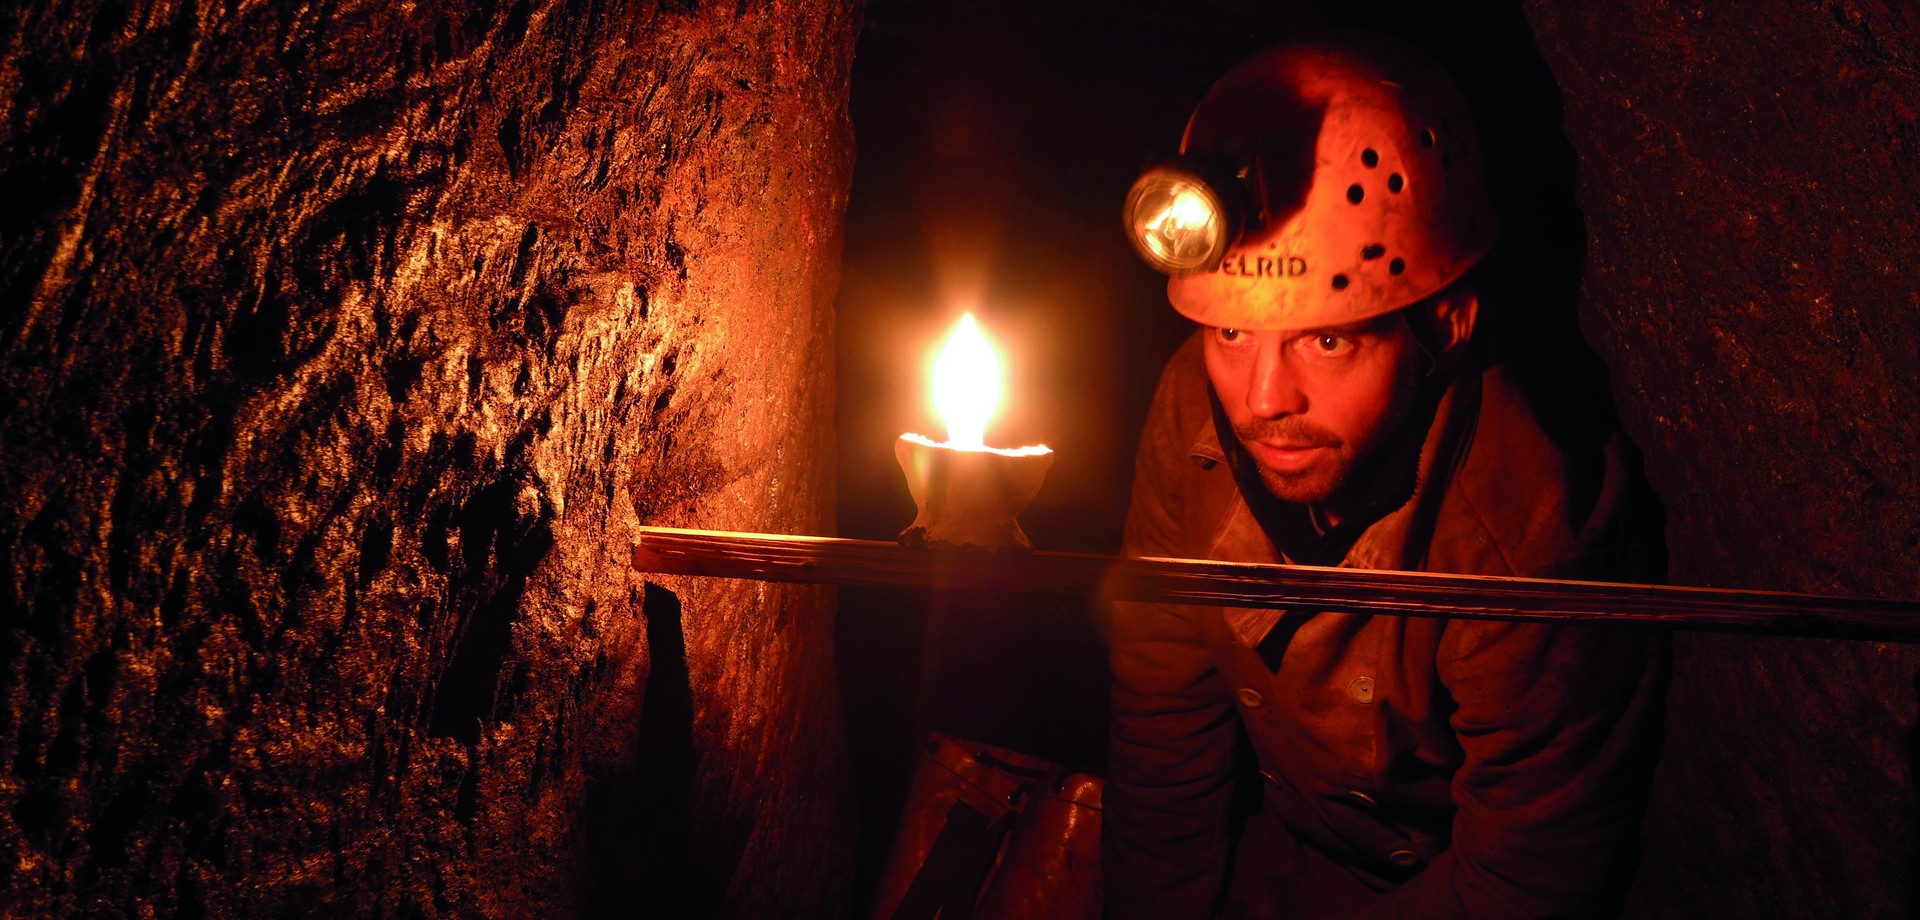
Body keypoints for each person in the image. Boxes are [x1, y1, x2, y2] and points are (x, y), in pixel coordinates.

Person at [1104, 33, 1668, 919]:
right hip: (1275, 851)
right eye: (1231, 334)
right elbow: (1164, 718)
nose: (1263, 401)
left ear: (1444, 326)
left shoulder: (1529, 533)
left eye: (1329, 341)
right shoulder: (1192, 409)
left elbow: (1524, 880)